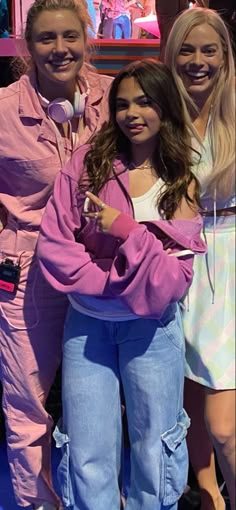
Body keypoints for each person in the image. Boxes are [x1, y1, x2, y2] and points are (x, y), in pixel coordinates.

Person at [37, 59, 206, 510]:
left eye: (145, 102)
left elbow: (174, 280)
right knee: (87, 447)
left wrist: (127, 230)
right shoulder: (87, 163)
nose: (132, 113)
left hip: (151, 331)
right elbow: (56, 244)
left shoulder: (180, 181)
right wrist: (116, 281)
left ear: (165, 108)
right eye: (123, 104)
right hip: (88, 326)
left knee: (156, 445)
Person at [0, 0, 112, 508]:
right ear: (28, 47)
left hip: (102, 269)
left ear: (88, 40)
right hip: (27, 274)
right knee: (28, 409)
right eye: (46, 38)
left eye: (70, 36)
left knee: (100, 404)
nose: (59, 49)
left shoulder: (117, 98)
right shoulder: (3, 108)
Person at [161, 7, 235, 510]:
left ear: (225, 56)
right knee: (187, 406)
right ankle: (207, 494)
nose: (197, 60)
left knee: (223, 425)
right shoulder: (158, 114)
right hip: (174, 264)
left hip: (228, 266)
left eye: (209, 49)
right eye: (187, 49)